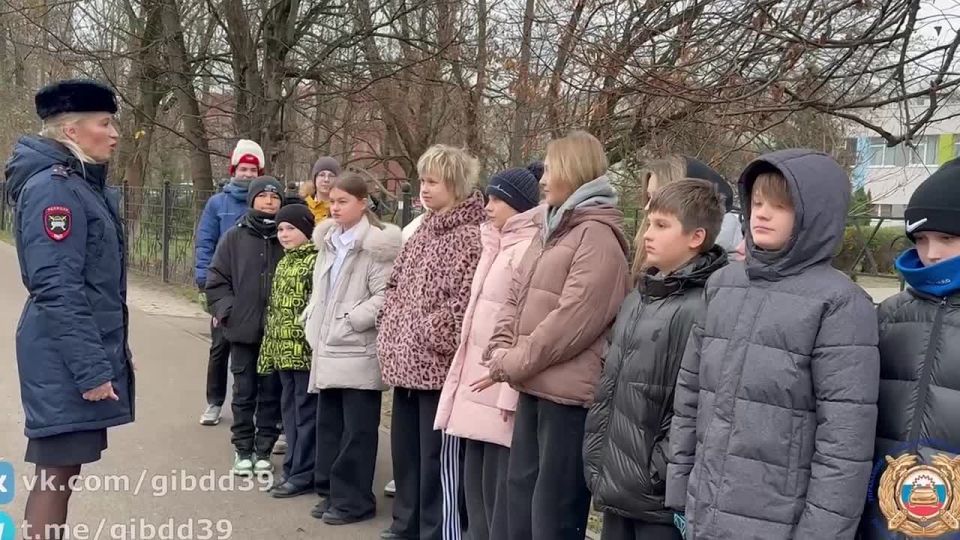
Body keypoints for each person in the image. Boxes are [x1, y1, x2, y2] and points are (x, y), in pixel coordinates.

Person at [665, 149, 880, 540]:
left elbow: (844, 442)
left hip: (781, 519)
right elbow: (691, 394)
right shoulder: (724, 285)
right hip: (706, 508)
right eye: (758, 202)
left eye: (780, 206)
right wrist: (680, 487)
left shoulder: (840, 304)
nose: (761, 214)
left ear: (814, 215)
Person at [485, 130, 630, 540]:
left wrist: (513, 360)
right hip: (532, 384)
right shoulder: (552, 226)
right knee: (519, 504)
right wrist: (500, 347)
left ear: (574, 169)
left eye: (551, 168)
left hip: (567, 397)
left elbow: (573, 320)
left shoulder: (597, 235)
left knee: (552, 514)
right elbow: (515, 294)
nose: (543, 179)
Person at [5, 79, 133, 539]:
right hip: (63, 357)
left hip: (67, 354)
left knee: (62, 470)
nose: (114, 133)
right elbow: (56, 286)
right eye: (105, 123)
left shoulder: (79, 185)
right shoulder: (55, 190)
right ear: (72, 131)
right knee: (56, 472)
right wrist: (91, 370)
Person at [583, 180, 727, 540]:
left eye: (661, 226)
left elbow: (696, 401)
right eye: (649, 223)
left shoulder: (704, 307)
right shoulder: (639, 297)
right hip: (617, 480)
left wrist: (660, 466)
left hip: (657, 497)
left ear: (695, 237)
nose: (647, 235)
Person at [377, 145, 486, 540]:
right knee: (405, 453)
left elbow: (464, 305)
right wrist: (390, 324)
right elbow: (395, 284)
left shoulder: (470, 237)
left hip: (437, 367)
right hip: (404, 360)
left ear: (454, 185)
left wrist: (426, 333)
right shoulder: (421, 230)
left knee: (433, 457)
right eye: (421, 180)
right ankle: (404, 523)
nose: (423, 188)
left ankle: (431, 529)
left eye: (432, 182)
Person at [433, 164, 542, 540]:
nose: (488, 205)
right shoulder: (495, 244)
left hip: (499, 391)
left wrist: (509, 392)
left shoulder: (527, 249)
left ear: (519, 204)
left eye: (497, 198)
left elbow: (522, 326)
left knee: (498, 495)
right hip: (477, 387)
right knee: (475, 488)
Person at [858, 158, 960, 539]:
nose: (931, 254)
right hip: (880, 516)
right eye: (921, 239)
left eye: (947, 239)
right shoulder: (888, 315)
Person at [304, 173, 402, 525]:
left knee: (357, 431)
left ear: (363, 203)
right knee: (330, 425)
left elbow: (387, 295)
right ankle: (333, 492)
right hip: (329, 347)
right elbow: (321, 290)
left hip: (358, 347)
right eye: (332, 201)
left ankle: (355, 499)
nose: (335, 207)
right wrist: (313, 317)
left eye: (343, 201)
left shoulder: (376, 246)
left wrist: (350, 319)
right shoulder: (329, 241)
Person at [206, 176, 286, 476]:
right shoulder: (234, 237)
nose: (268, 201)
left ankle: (264, 448)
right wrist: (229, 312)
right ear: (252, 200)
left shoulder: (287, 236)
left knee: (270, 392)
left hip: (276, 333)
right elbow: (216, 281)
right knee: (244, 391)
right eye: (263, 196)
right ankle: (243, 448)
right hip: (242, 331)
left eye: (274, 196)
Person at [194, 139, 265, 426]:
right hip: (224, 288)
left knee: (255, 350)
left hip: (256, 289)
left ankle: (254, 405)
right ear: (234, 169)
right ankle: (214, 401)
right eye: (243, 169)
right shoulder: (217, 204)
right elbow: (205, 242)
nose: (248, 174)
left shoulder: (265, 203)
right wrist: (204, 282)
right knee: (220, 347)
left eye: (253, 170)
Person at [256, 203, 318, 497]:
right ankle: (293, 467)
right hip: (282, 353)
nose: (283, 234)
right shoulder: (284, 262)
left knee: (305, 414)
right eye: (280, 229)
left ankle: (303, 471)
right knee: (289, 412)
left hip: (304, 354)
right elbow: (275, 312)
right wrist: (268, 352)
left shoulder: (314, 262)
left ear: (306, 229)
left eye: (290, 228)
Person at [637, 155, 742, 261]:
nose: (647, 207)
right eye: (649, 197)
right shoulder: (667, 266)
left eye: (658, 198)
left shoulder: (721, 273)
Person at [301, 156, 340, 222]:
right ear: (315, 178)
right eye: (322, 175)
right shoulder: (302, 206)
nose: (326, 180)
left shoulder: (340, 208)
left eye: (331, 176)